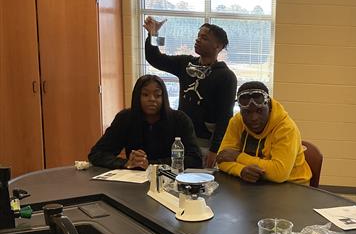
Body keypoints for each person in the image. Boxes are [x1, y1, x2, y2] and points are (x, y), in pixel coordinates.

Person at [143, 17, 237, 168]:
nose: (198, 40)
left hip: (206, 143)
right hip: (180, 138)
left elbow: (225, 116)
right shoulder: (186, 64)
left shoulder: (226, 76)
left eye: (204, 38)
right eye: (198, 36)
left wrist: (215, 149)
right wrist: (154, 35)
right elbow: (155, 58)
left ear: (218, 46)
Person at [89, 75, 202, 170]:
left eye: (157, 95)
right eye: (145, 95)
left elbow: (195, 159)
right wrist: (126, 163)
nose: (152, 99)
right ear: (137, 97)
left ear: (164, 98)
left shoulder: (180, 120)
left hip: (169, 180)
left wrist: (151, 164)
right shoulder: (125, 118)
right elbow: (97, 154)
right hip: (134, 183)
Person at [216, 81, 312, 184]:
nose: (254, 118)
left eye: (260, 111)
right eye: (247, 112)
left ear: (269, 106)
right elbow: (222, 158)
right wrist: (241, 170)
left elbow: (279, 173)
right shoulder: (237, 121)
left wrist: (237, 157)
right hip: (256, 183)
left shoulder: (286, 128)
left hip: (294, 185)